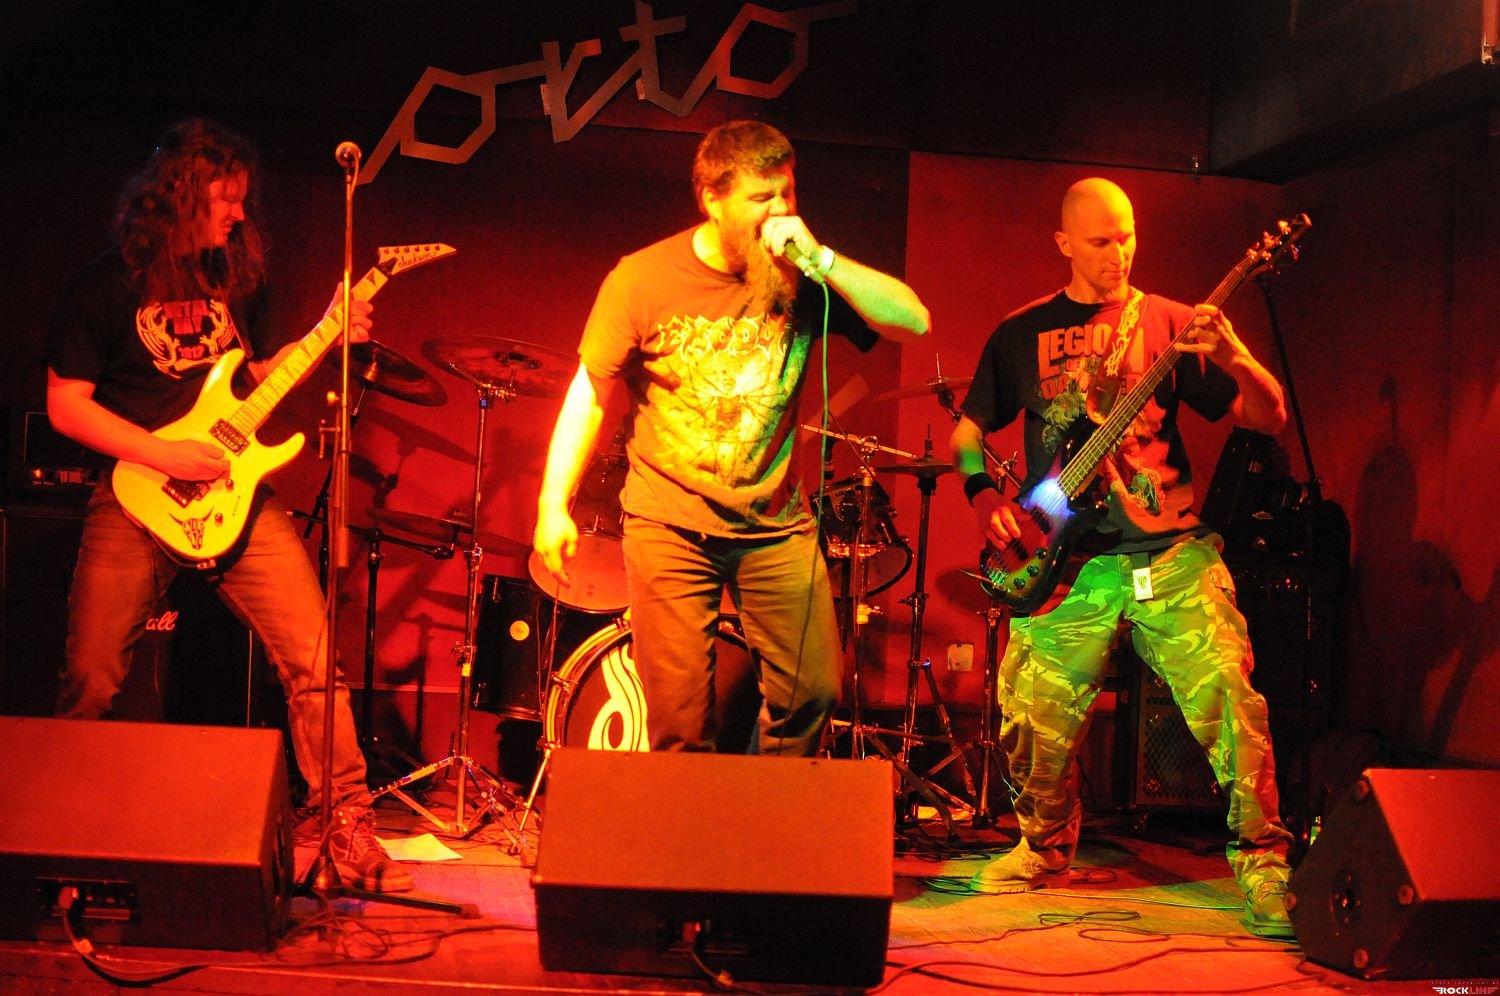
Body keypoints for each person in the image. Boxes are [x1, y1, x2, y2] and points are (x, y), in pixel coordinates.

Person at [45, 118, 410, 893]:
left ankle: (346, 829)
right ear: (180, 194)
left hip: (235, 494)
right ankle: (66, 833)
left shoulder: (236, 282)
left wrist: (326, 335)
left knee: (314, 658)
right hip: (137, 493)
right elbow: (67, 406)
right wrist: (164, 455)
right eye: (227, 198)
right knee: (92, 676)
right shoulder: (102, 288)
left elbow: (253, 376)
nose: (240, 214)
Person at [949, 178, 1295, 938]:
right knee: (1030, 716)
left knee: (1231, 700)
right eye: (1100, 241)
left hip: (1170, 550)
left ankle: (1266, 863)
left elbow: (1266, 417)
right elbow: (967, 432)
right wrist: (982, 495)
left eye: (1127, 236)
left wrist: (1237, 356)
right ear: (1064, 243)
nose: (1119, 253)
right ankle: (1042, 850)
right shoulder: (1021, 332)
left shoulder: (1171, 324)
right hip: (1067, 560)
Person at [533, 120, 929, 756]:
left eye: (787, 193)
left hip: (774, 525)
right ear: (711, 199)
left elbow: (914, 321)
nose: (779, 211)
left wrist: (823, 260)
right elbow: (590, 392)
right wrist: (553, 504)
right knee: (682, 725)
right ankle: (695, 821)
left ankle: (759, 809)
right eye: (760, 197)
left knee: (813, 693)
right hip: (670, 524)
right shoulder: (641, 279)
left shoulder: (804, 275)